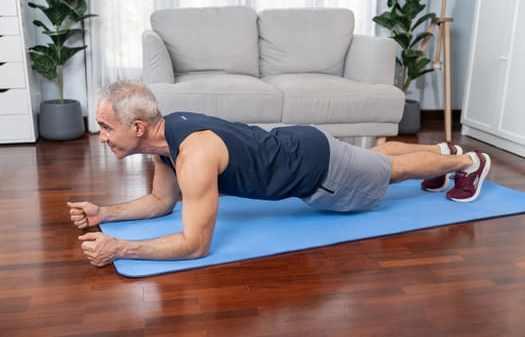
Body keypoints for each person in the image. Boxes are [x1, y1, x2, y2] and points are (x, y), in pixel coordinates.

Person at [68, 80, 491, 267]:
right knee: (380, 158)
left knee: (388, 170)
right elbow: (162, 202)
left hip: (320, 173)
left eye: (106, 127)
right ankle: (442, 151)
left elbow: (195, 245)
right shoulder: (168, 137)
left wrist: (120, 249)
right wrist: (104, 214)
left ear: (137, 128)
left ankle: (467, 162)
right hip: (302, 144)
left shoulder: (193, 154)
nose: (102, 136)